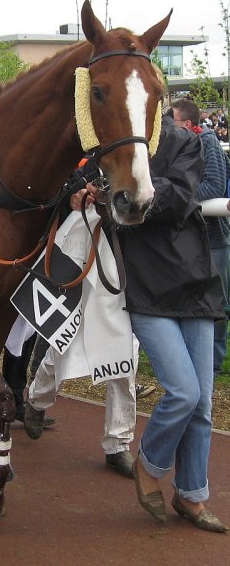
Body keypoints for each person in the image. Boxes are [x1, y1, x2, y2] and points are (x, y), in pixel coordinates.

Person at [120, 112, 227, 532]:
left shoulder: (185, 140)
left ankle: (191, 494)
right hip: (146, 286)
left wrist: (130, 195)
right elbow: (93, 190)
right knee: (183, 392)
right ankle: (149, 465)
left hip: (194, 282)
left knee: (201, 403)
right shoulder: (111, 144)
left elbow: (182, 194)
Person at [22, 199, 138, 478]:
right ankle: (37, 400)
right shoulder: (89, 160)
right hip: (83, 254)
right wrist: (81, 192)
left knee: (125, 353)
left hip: (126, 263)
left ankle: (118, 443)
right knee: (65, 344)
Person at [171, 98, 230, 377]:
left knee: (217, 303)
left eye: (174, 122)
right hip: (190, 238)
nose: (170, 128)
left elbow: (214, 186)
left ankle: (214, 364)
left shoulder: (208, 143)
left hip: (213, 238)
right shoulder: (182, 145)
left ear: (189, 125)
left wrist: (178, 198)